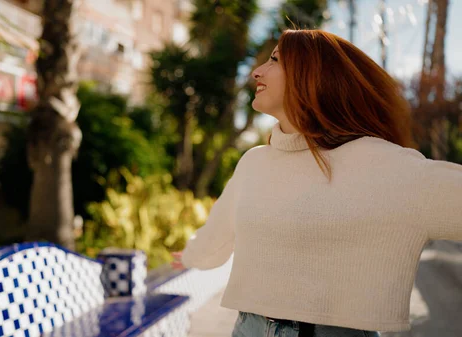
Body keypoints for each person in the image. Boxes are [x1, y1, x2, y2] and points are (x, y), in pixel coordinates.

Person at [171, 29, 462, 337]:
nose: (257, 72)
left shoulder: (389, 167)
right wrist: (190, 256)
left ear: (314, 75)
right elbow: (217, 236)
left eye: (274, 60)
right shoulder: (254, 163)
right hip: (248, 329)